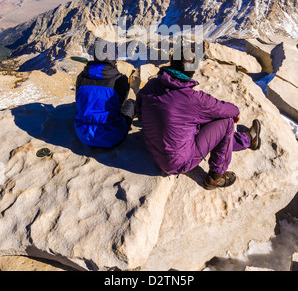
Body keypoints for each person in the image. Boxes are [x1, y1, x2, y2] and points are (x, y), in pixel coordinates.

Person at [136, 48, 261, 190]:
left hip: (152, 149)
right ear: (192, 72)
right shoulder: (194, 99)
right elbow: (228, 111)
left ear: (171, 63)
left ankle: (246, 140)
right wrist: (236, 113)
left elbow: (139, 112)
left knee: (198, 122)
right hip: (177, 163)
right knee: (226, 123)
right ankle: (215, 176)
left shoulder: (151, 85)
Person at [74, 42, 136, 148]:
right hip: (112, 137)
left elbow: (77, 100)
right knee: (131, 104)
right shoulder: (120, 79)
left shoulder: (81, 77)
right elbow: (121, 104)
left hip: (83, 134)